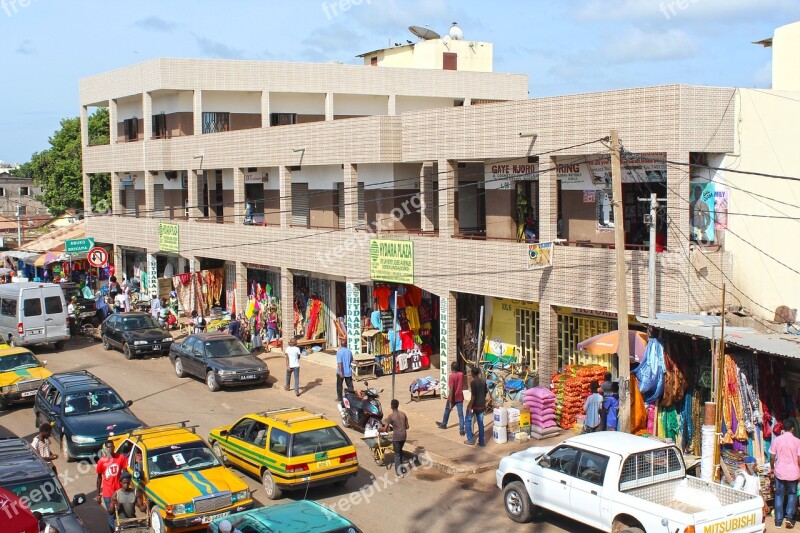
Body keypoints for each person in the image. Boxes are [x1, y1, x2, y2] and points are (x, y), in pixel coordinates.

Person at [770, 419, 800, 528]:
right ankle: (788, 517)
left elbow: (772, 457)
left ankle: (778, 521)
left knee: (779, 495)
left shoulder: (777, 440)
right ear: (792, 429)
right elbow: (799, 458)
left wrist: (772, 468)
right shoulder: (797, 441)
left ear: (784, 428)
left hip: (780, 471)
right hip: (793, 472)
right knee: (792, 494)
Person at [96, 440, 128, 532]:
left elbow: (125, 473)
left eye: (112, 447)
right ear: (105, 449)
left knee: (123, 512)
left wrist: (126, 487)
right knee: (111, 514)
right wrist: (98, 494)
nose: (110, 449)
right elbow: (99, 478)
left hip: (119, 491)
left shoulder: (121, 458)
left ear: (114, 447)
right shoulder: (101, 462)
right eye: (108, 447)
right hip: (108, 493)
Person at [381, 398, 409, 476]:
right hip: (404, 436)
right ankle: (402, 468)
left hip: (397, 437)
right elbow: (407, 426)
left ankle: (399, 472)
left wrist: (379, 429)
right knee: (400, 452)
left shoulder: (390, 416)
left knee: (397, 454)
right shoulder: (403, 414)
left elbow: (385, 429)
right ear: (397, 405)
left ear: (391, 406)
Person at [437, 361, 465, 436]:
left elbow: (451, 389)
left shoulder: (451, 376)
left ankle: (444, 424)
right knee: (460, 414)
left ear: (451, 368)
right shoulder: (461, 374)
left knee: (447, 410)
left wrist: (450, 401)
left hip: (453, 398)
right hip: (460, 397)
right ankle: (462, 430)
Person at [464, 366, 488, 447]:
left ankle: (470, 439)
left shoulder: (473, 383)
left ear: (472, 374)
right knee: (480, 423)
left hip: (475, 405)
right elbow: (485, 392)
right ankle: (481, 442)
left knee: (467, 420)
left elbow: (473, 396)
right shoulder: (483, 381)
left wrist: (470, 407)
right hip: (482, 405)